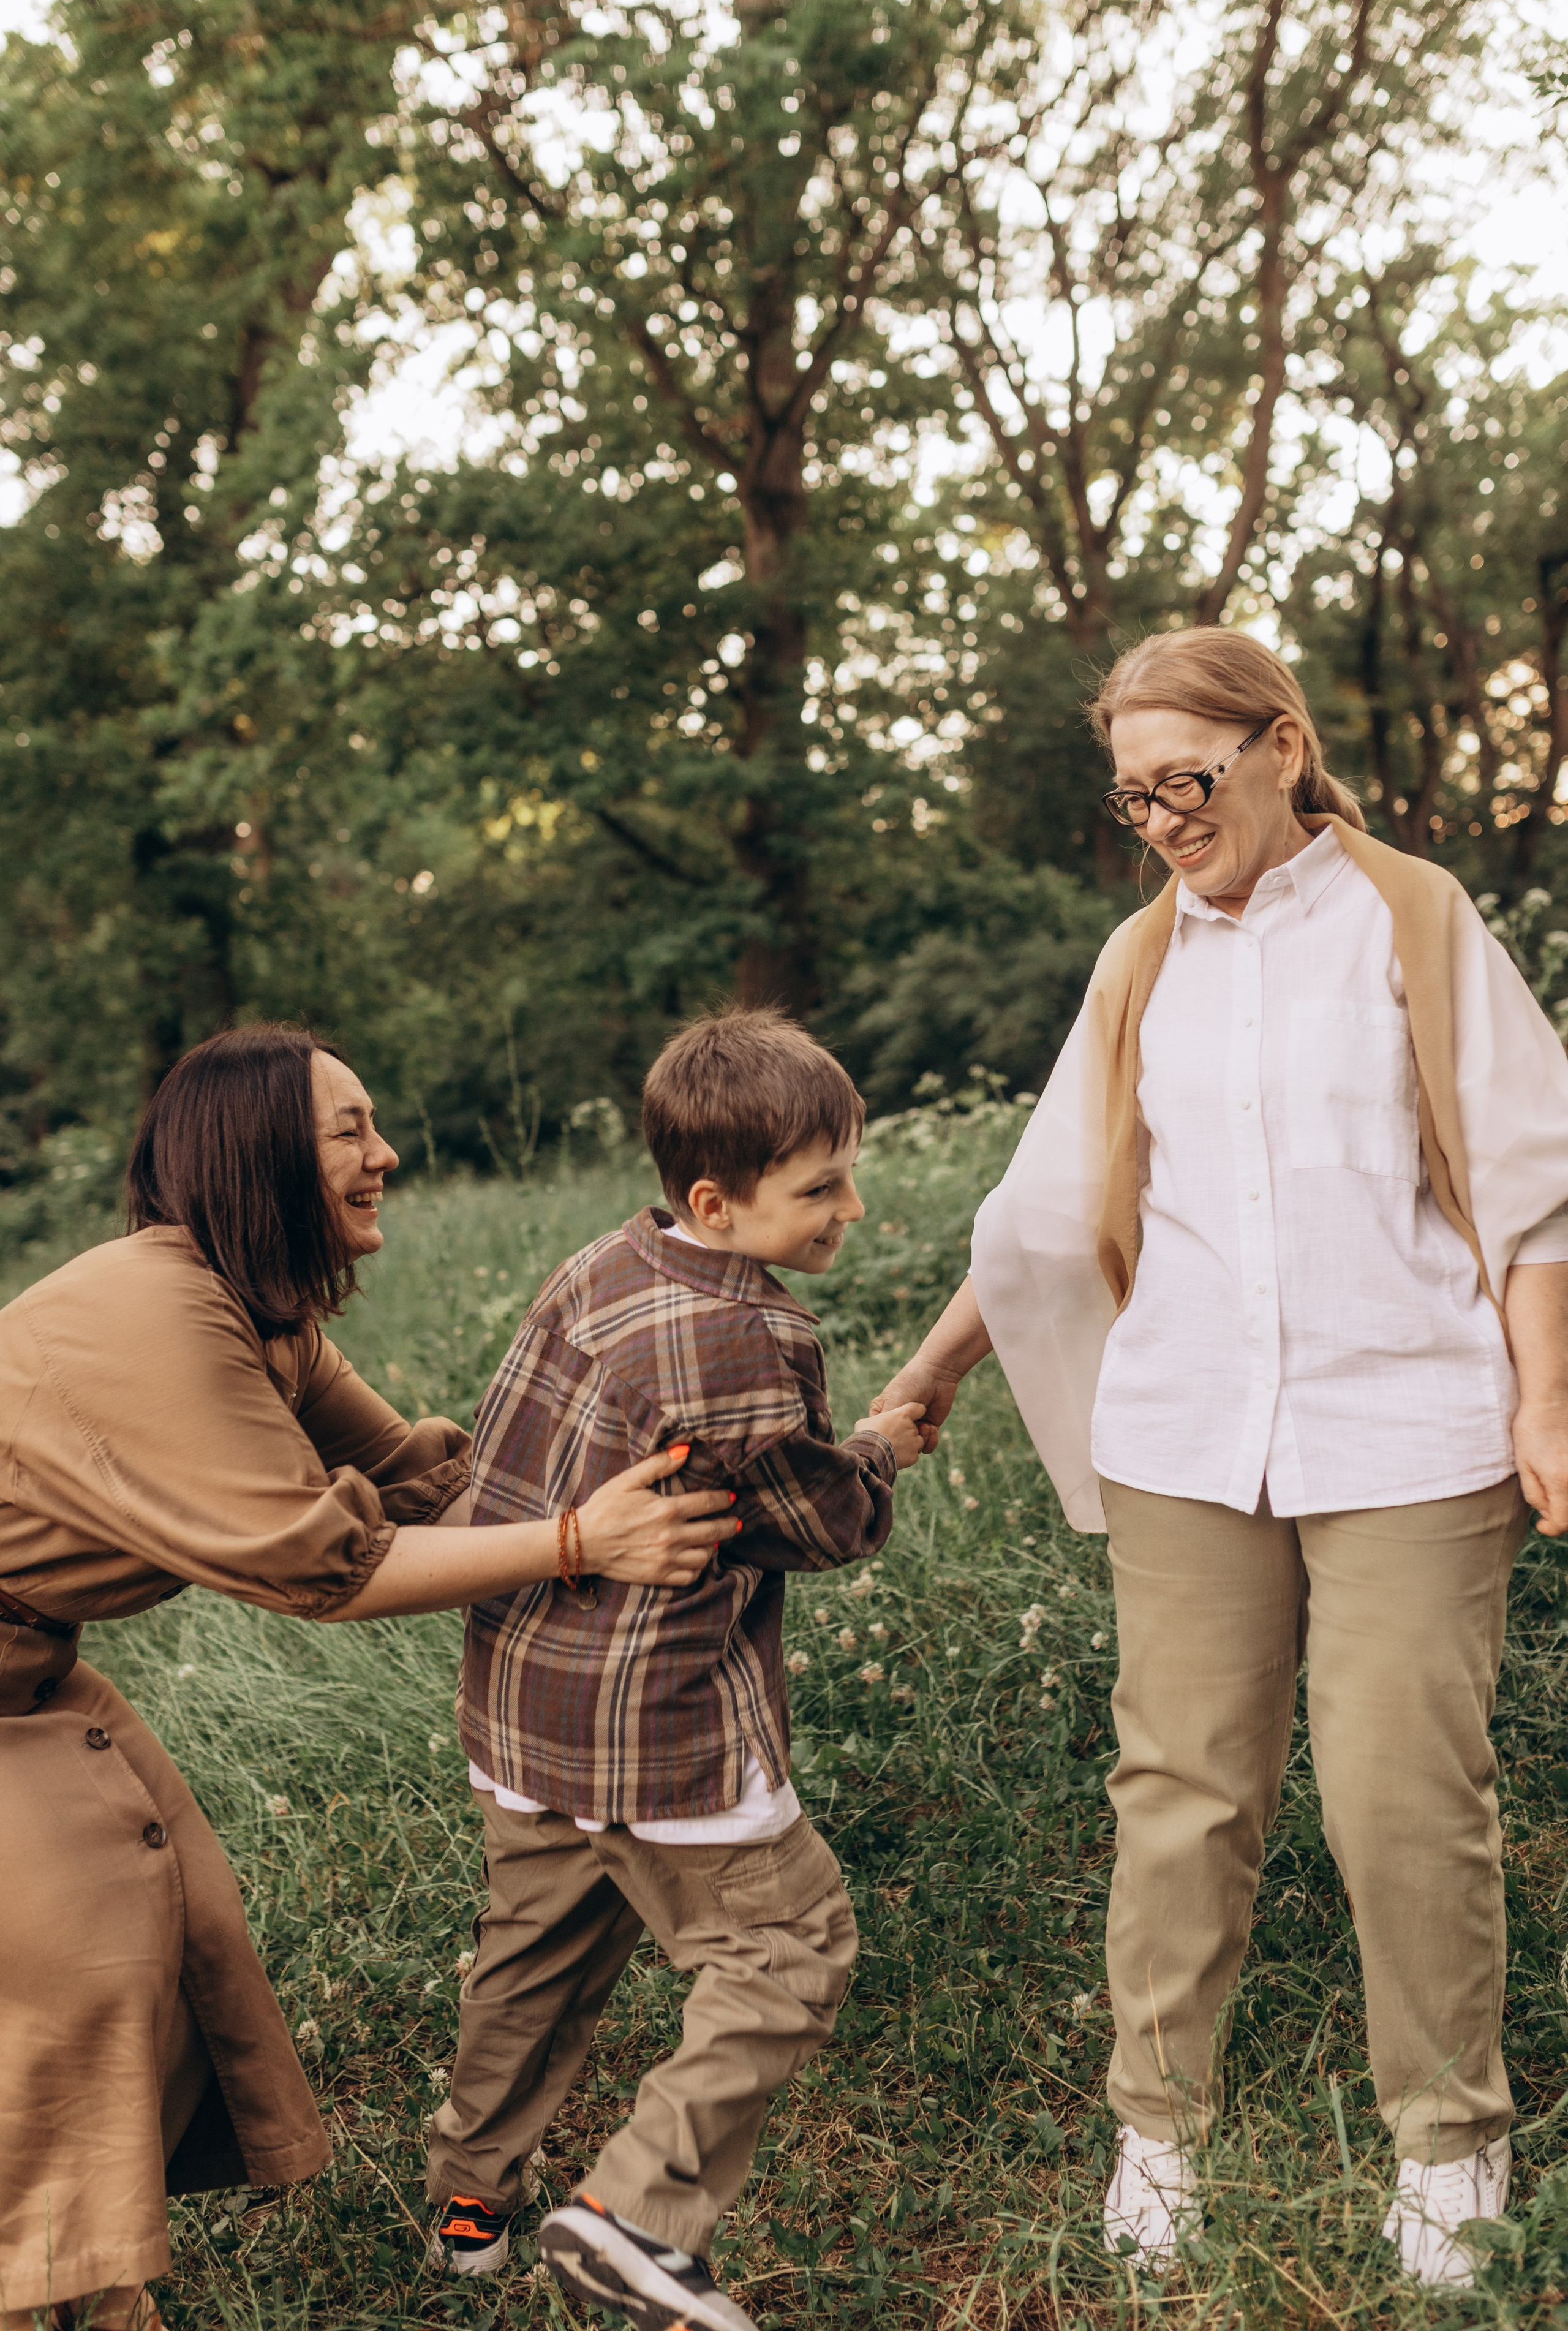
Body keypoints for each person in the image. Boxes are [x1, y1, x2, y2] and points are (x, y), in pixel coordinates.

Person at [873, 627, 1568, 2290]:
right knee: (1180, 1797)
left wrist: (1545, 1403)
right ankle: (1159, 2133)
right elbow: (1050, 1212)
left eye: (1185, 781)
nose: (1165, 823)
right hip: (1187, 1432)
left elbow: (1540, 1190)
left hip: (1406, 1420)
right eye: (1132, 799)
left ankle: (1451, 2146)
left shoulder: (1416, 917)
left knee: (1407, 1791)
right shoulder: (1140, 960)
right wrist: (924, 1377)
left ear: (1278, 747)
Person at [0, 1024, 736, 2331]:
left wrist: (659, 1450)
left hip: (30, 1669)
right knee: (83, 1958)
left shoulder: (257, 1315)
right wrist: (579, 1542)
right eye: (349, 1130)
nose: (383, 1153)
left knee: (177, 1912)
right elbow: (325, 1572)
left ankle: (82, 2275)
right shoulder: (161, 1312)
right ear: (263, 1153)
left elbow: (429, 1485)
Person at [424, 1009, 925, 2331]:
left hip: (526, 1709)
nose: (848, 1209)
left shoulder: (605, 1262)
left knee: (530, 1964)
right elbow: (824, 1524)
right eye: (820, 1187)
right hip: (661, 1729)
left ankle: (471, 2210)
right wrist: (876, 1447)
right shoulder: (751, 1339)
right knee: (789, 1948)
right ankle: (635, 2214)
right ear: (718, 1197)